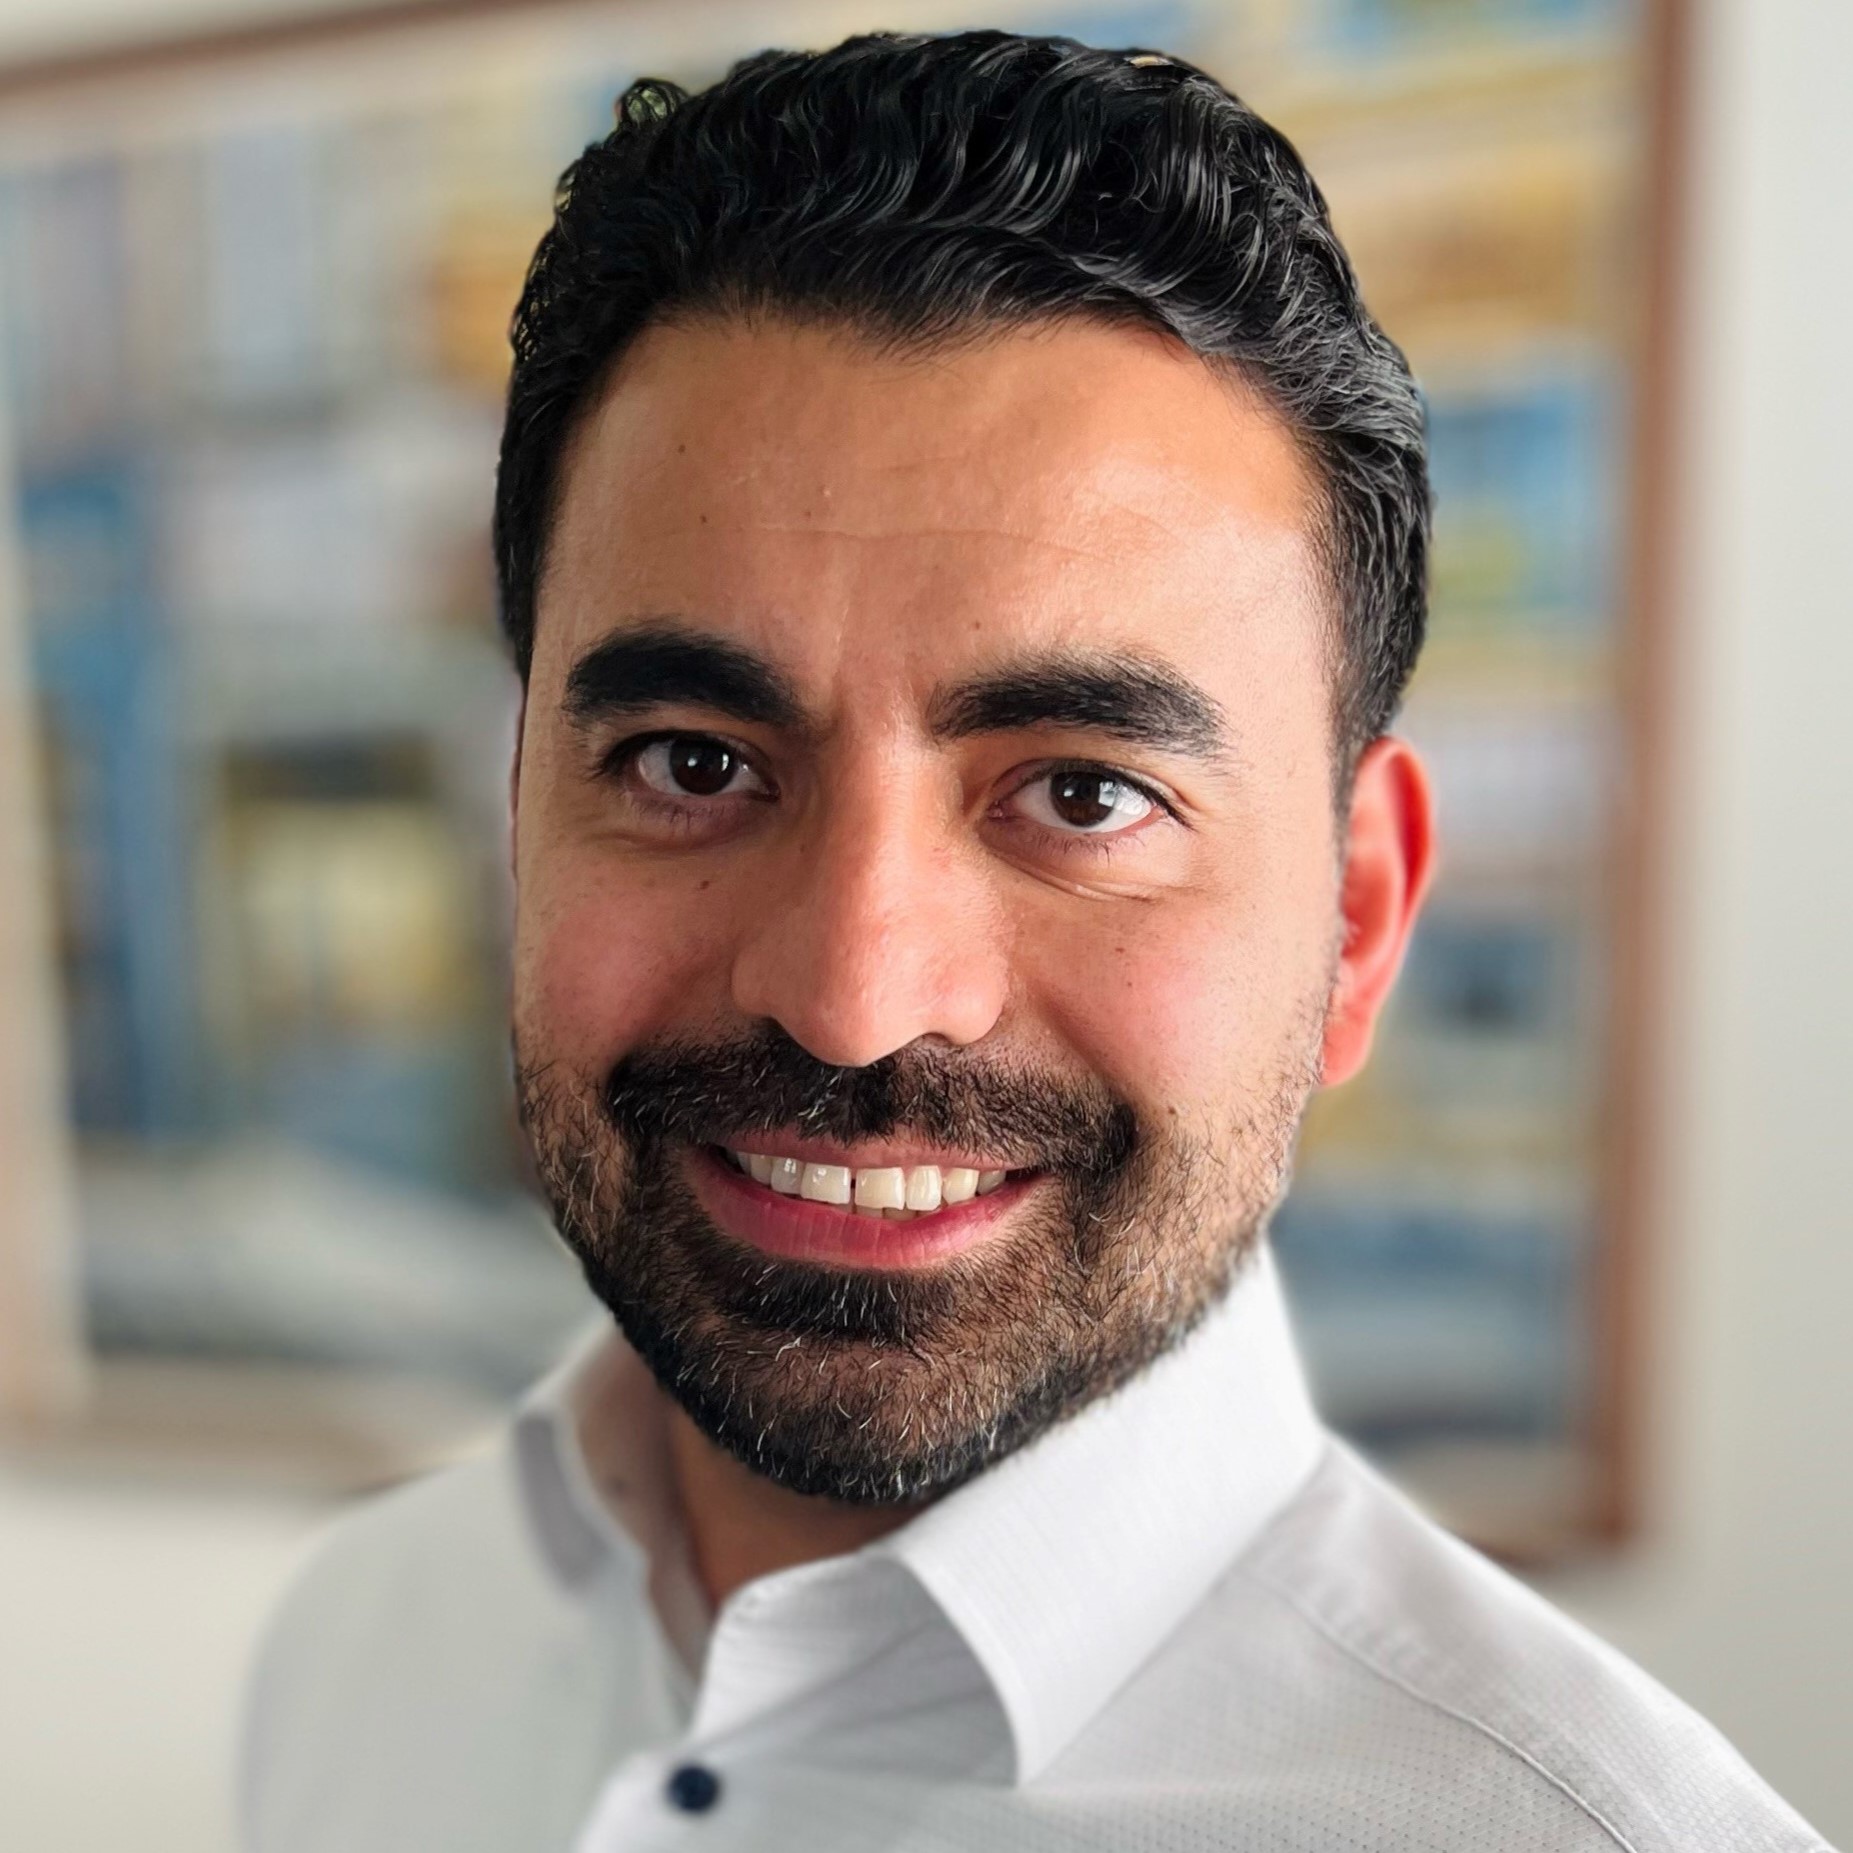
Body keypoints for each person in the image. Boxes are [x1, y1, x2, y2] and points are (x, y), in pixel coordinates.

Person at [238, 29, 1831, 1853]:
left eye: (1081, 793)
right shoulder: (367, 1645)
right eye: (692, 763)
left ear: (1359, 915)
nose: (852, 997)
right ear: (520, 810)